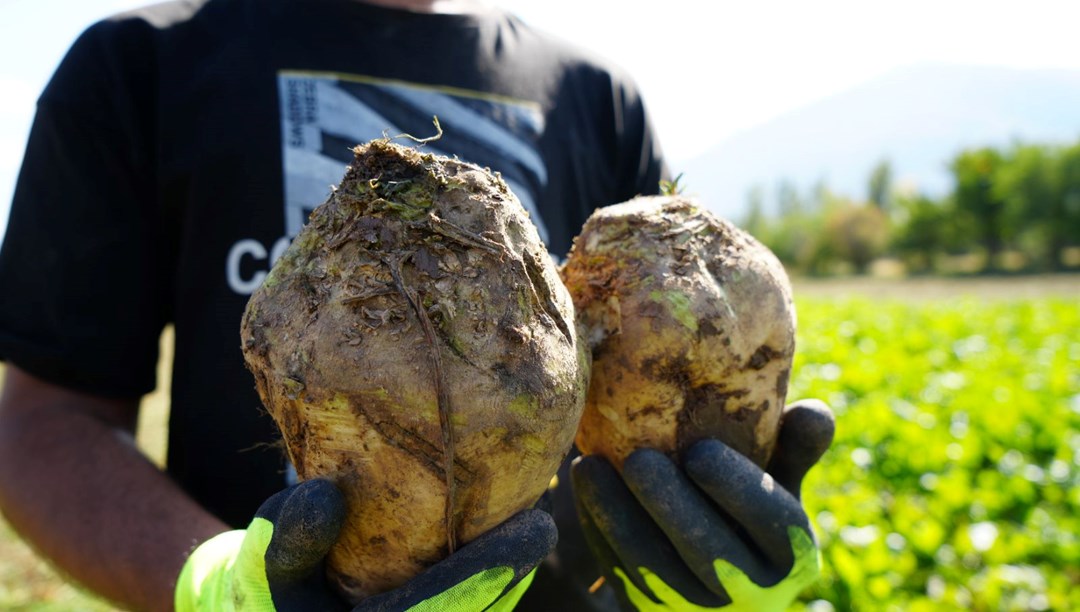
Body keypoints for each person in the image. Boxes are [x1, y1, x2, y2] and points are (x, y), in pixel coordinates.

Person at [0, 0, 834, 610]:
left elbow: (656, 379)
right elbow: (41, 420)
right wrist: (207, 582)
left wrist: (698, 554)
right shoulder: (139, 65)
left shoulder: (596, 94)